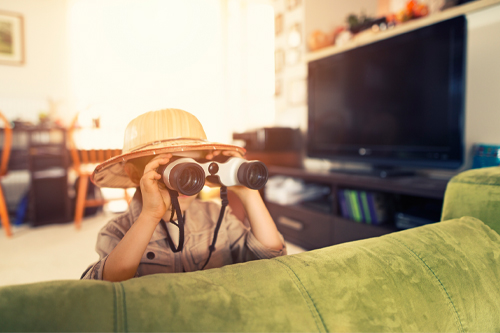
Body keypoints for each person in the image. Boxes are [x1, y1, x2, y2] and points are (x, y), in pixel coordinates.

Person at [81, 108, 286, 282]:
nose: (187, 184)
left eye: (195, 169)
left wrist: (249, 194)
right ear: (135, 174)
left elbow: (272, 257)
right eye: (177, 170)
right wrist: (149, 216)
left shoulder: (217, 217)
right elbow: (105, 289)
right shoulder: (116, 232)